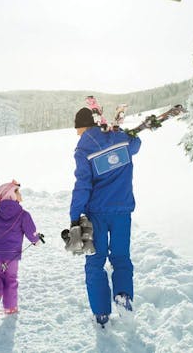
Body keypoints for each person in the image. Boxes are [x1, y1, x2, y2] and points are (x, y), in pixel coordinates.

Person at [69, 107, 142, 327]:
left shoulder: (83, 150)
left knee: (95, 262)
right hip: (122, 211)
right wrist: (120, 131)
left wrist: (75, 216)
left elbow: (83, 184)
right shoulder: (119, 138)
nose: (77, 134)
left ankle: (101, 313)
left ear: (83, 126)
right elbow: (136, 145)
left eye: (78, 129)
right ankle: (123, 296)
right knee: (121, 257)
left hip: (96, 214)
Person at [0, 180, 41, 315]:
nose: (20, 195)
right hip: (13, 255)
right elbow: (30, 231)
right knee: (10, 279)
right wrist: (36, 240)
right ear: (11, 194)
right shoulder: (23, 214)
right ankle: (10, 307)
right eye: (18, 192)